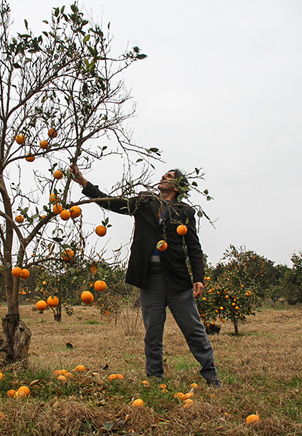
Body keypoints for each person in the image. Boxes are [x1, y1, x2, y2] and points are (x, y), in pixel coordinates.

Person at [71, 166, 221, 387]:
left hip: (177, 280)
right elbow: (114, 203)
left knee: (193, 329)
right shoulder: (145, 202)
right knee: (152, 332)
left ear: (178, 186)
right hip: (149, 279)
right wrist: (85, 184)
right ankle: (155, 377)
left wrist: (198, 277)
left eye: (169, 177)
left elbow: (194, 248)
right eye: (164, 175)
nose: (163, 177)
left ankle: (211, 375)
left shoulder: (185, 212)